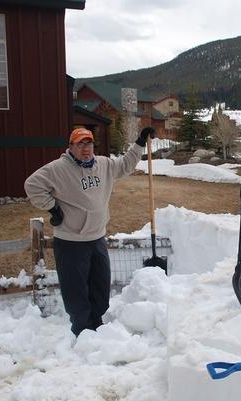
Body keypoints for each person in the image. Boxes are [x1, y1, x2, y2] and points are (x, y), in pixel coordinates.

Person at [24, 126, 155, 336]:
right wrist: (52, 207)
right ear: (71, 146)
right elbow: (31, 185)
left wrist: (140, 142)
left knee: (100, 288)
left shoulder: (104, 164)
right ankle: (82, 332)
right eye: (80, 144)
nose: (86, 148)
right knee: (76, 292)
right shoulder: (58, 169)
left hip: (97, 238)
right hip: (70, 242)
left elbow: (126, 164)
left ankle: (97, 326)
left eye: (89, 143)